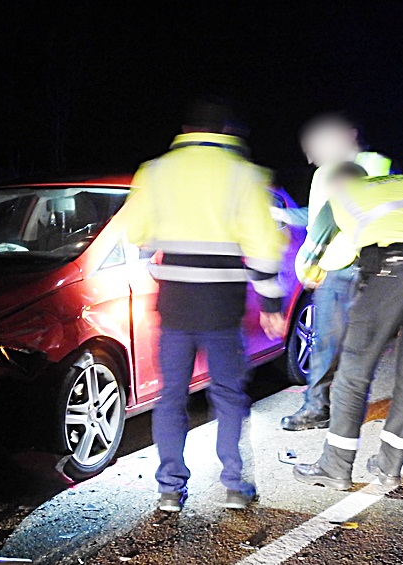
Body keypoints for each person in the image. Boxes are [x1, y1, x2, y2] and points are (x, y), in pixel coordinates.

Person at [120, 97, 287, 512]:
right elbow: (265, 246)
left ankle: (169, 490)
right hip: (222, 303)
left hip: (174, 301)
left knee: (172, 396)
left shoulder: (156, 171)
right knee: (228, 394)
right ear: (229, 131)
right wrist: (270, 301)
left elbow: (137, 230)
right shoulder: (245, 175)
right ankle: (233, 484)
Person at [292, 165, 403, 490]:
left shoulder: (342, 196)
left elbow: (312, 253)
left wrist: (309, 276)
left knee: (353, 373)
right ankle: (389, 467)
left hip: (393, 272)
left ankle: (336, 466)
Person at [271, 114, 391, 432]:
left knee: (341, 345)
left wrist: (310, 264)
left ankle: (328, 410)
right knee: (329, 343)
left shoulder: (371, 165)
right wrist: (282, 213)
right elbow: (317, 214)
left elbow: (334, 214)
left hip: (352, 268)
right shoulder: (328, 170)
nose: (310, 157)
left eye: (316, 146)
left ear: (348, 136)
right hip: (336, 267)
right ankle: (325, 408)